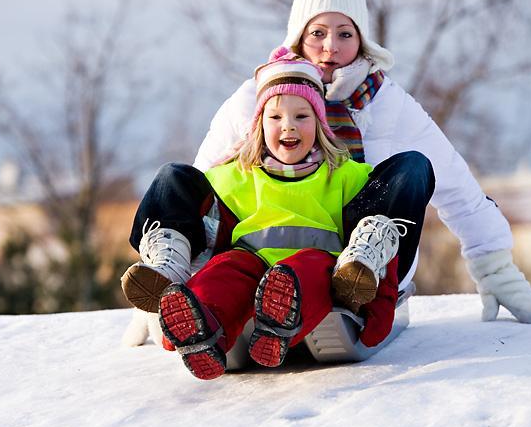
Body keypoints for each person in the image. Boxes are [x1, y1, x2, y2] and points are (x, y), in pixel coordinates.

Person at [190, 0, 531, 325]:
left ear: (361, 40)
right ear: (298, 35)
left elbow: (455, 183)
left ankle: (359, 276)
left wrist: (494, 266)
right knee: (187, 179)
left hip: (361, 250)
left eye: (345, 34)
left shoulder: (385, 102)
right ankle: (231, 295)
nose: (330, 46)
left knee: (414, 168)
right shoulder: (257, 96)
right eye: (317, 32)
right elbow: (199, 184)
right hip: (268, 242)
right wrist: (173, 273)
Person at [126, 51, 420, 380]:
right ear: (259, 125)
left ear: (320, 122)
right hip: (248, 262)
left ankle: (278, 320)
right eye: (275, 117)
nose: (288, 126)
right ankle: (199, 324)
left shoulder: (344, 175)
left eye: (301, 116)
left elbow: (385, 199)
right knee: (224, 270)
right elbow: (189, 201)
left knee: (303, 272)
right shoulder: (235, 175)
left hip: (317, 265)